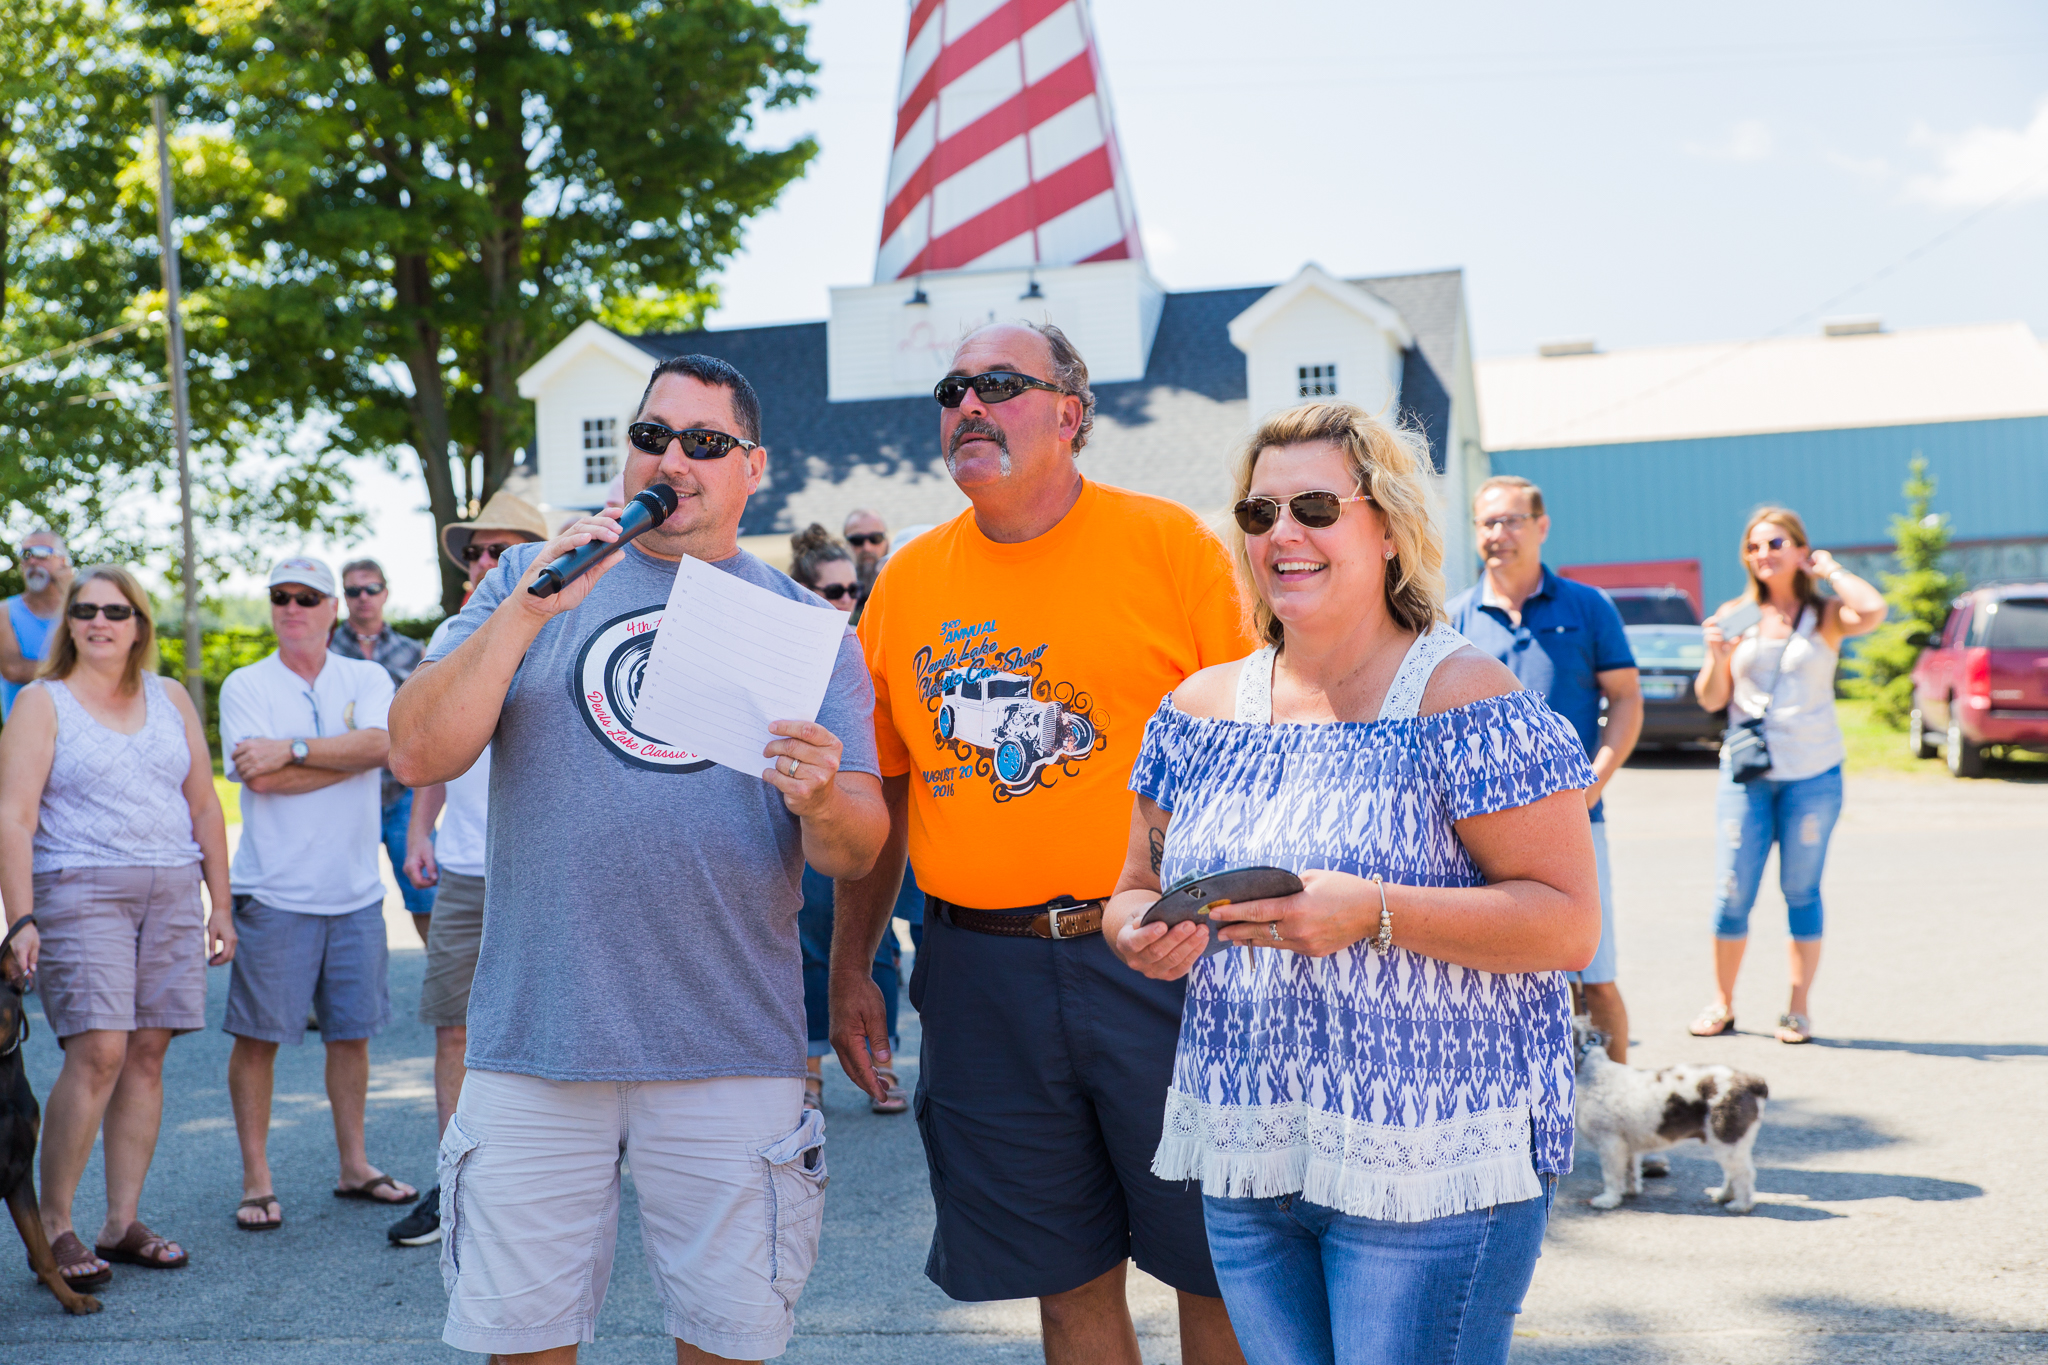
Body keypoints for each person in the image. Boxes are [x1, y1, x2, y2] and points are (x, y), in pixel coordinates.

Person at [388, 353, 886, 1364]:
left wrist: (822, 794)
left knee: (726, 1345)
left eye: (704, 444)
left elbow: (856, 846)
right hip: (536, 1042)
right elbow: (415, 748)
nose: (673, 461)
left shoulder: (803, 629)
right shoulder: (531, 583)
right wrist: (527, 608)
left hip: (729, 1050)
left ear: (754, 468)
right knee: (521, 1346)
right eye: (653, 437)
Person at [1101, 402, 1600, 1365]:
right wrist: (1140, 934)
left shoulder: (1466, 700)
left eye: (1316, 506)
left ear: (1387, 526)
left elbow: (1567, 926)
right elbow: (1129, 887)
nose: (1283, 533)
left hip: (1429, 1165)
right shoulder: (1197, 711)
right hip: (1252, 1153)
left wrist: (1372, 912)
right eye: (1259, 514)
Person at [832, 322, 1255, 1365]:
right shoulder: (910, 583)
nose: (968, 404)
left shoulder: (1171, 547)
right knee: (1062, 1286)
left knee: (1216, 1271)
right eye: (952, 387)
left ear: (1070, 412)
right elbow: (882, 796)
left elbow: (1262, 755)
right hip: (982, 974)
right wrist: (849, 971)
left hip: (1168, 961)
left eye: (1000, 384)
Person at [0, 566, 236, 1288]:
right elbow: (13, 815)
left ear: (139, 623)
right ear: (68, 623)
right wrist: (21, 918)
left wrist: (219, 902)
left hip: (170, 887)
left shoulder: (169, 698)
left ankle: (121, 1221)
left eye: (115, 609)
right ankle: (58, 1228)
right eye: (85, 610)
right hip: (78, 888)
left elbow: (203, 806)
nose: (99, 620)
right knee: (100, 1048)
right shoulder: (42, 702)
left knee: (147, 1053)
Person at [220, 556, 416, 1232]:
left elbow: (390, 747)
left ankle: (354, 1164)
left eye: (307, 596)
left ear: (334, 608)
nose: (293, 606)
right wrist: (347, 752)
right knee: (256, 1039)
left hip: (356, 892)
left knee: (352, 1037)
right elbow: (260, 780)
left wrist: (294, 748)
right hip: (274, 892)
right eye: (280, 595)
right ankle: (256, 1178)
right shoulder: (245, 683)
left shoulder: (367, 675)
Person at [382, 490, 550, 1249]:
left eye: (505, 549)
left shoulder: (568, 625)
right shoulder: (453, 631)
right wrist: (422, 828)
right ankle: (455, 1182)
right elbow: (427, 747)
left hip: (546, 863)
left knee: (553, 1028)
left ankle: (547, 1181)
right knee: (454, 1029)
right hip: (465, 864)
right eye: (478, 551)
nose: (488, 562)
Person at [1447, 475, 1643, 1064]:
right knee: (1498, 979)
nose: (1497, 535)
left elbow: (1627, 700)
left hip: (1580, 821)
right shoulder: (1454, 620)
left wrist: (1596, 780)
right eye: (1486, 523)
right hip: (1479, 834)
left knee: (1595, 974)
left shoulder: (1587, 607)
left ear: (1541, 527)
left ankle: (1625, 1129)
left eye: (1510, 521)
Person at [1690, 507, 1885, 1045]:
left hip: (1813, 775)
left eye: (1776, 543)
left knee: (1801, 890)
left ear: (1800, 549)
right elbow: (1711, 698)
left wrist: (1829, 569)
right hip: (1746, 774)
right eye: (1753, 547)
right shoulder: (1736, 614)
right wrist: (1715, 655)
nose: (1763, 554)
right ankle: (1723, 1003)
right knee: (1732, 892)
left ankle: (1797, 1008)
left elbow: (1873, 609)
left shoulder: (1824, 614)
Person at [786, 525, 906, 1116]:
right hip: (807, 822)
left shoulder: (864, 647)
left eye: (853, 589)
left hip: (869, 814)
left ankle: (883, 1061)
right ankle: (809, 1070)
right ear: (806, 592)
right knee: (812, 948)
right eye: (832, 591)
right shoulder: (787, 650)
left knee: (876, 945)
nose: (847, 601)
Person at [328, 558, 431, 942]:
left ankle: (441, 983)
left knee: (426, 895)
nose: (363, 598)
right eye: (353, 590)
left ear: (385, 593)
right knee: (343, 898)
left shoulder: (413, 650)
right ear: (344, 597)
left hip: (401, 792)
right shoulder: (326, 651)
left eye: (371, 589)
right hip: (346, 791)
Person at [1, 531, 75, 720]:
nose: (32, 561)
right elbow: (13, 670)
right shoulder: (4, 612)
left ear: (63, 561)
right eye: (26, 554)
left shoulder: (81, 611)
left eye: (42, 553)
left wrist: (71, 595)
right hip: (24, 737)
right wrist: (78, 670)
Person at [841, 507, 890, 604]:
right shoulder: (836, 595)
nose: (867, 547)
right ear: (845, 545)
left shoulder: (902, 586)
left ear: (887, 542)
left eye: (875, 538)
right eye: (857, 540)